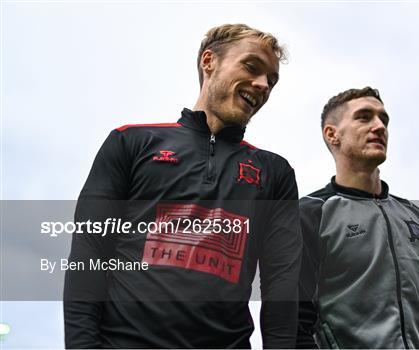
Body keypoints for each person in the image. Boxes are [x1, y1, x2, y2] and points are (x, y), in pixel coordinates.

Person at [64, 24, 302, 348]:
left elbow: (282, 283)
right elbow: (89, 253)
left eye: (271, 81)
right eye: (251, 67)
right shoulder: (130, 142)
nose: (262, 85)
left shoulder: (275, 172)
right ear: (209, 61)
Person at [296, 87, 419, 349]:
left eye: (384, 119)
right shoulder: (310, 214)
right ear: (332, 134)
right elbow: (293, 324)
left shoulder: (416, 219)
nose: (379, 126)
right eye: (364, 117)